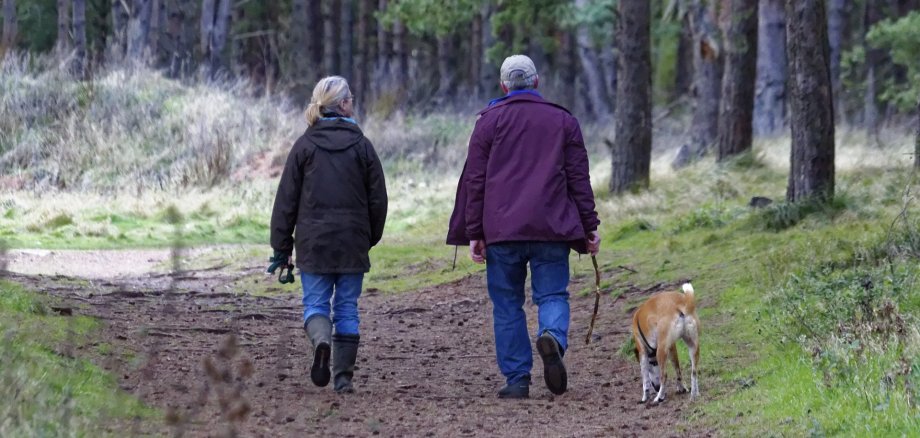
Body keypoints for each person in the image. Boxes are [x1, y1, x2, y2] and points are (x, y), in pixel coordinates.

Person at [446, 55, 601, 399]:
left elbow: (476, 181)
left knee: (507, 305)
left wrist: (474, 232)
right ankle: (553, 339)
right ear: (536, 82)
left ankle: (517, 379)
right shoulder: (563, 121)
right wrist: (589, 225)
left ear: (503, 86)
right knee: (552, 295)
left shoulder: (487, 123)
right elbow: (578, 179)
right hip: (551, 228)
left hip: (502, 232)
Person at [270, 76, 388, 393]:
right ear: (345, 104)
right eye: (351, 97)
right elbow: (379, 199)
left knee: (316, 306)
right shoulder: (362, 146)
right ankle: (343, 377)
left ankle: (321, 340)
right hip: (352, 242)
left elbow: (286, 202)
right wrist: (369, 238)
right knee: (347, 308)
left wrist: (281, 249)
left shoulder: (304, 146)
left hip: (313, 242)